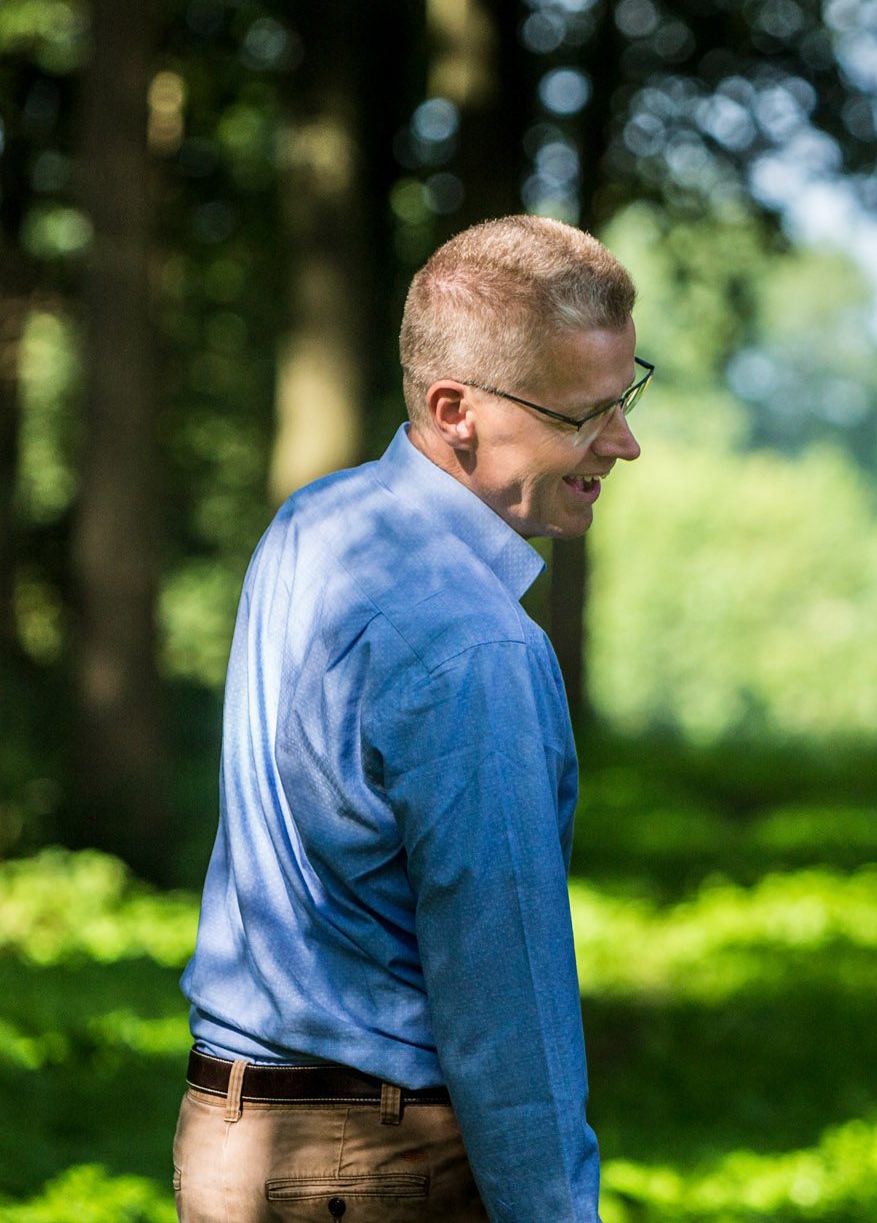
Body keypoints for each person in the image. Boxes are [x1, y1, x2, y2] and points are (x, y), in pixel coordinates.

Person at [175, 216, 652, 1222]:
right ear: (454, 410)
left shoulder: (315, 523)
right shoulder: (480, 648)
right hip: (379, 1167)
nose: (624, 442)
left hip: (231, 1141)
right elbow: (504, 997)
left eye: (627, 395)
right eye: (586, 414)